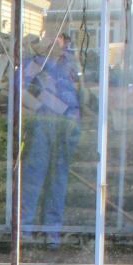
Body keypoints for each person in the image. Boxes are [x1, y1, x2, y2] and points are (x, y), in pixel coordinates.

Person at [19, 27, 80, 248]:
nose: (56, 41)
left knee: (59, 179)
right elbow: (21, 91)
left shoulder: (70, 64)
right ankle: (23, 231)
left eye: (60, 37)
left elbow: (78, 94)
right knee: (34, 177)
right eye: (51, 36)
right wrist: (42, 104)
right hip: (42, 125)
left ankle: (51, 233)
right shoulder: (35, 64)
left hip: (67, 127)